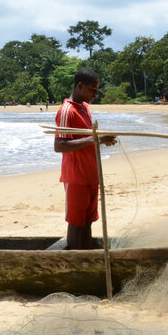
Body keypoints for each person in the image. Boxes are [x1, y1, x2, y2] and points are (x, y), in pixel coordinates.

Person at [53, 68, 117, 249]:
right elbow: (60, 145)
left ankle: (87, 257)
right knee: (76, 223)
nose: (95, 94)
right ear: (80, 86)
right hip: (76, 177)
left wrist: (102, 139)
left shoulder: (85, 108)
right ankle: (75, 263)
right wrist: (94, 138)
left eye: (96, 90)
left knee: (88, 221)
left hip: (90, 174)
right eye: (92, 90)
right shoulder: (66, 111)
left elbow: (87, 139)